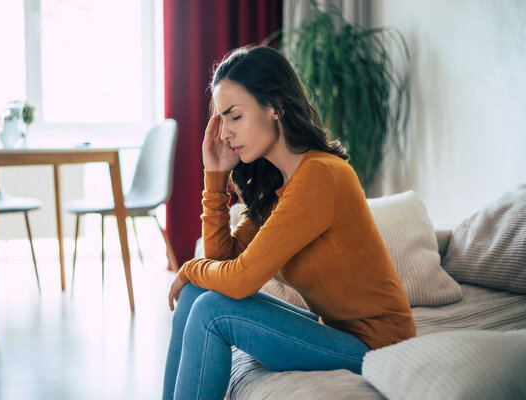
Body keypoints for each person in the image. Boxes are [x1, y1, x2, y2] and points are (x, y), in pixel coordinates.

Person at [162, 45, 416, 400]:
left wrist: (191, 267)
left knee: (211, 309)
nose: (224, 134)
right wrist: (215, 176)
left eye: (235, 116)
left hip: (379, 347)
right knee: (196, 294)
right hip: (336, 334)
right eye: (222, 120)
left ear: (276, 107)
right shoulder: (278, 184)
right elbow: (223, 265)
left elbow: (239, 280)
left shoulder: (320, 176)